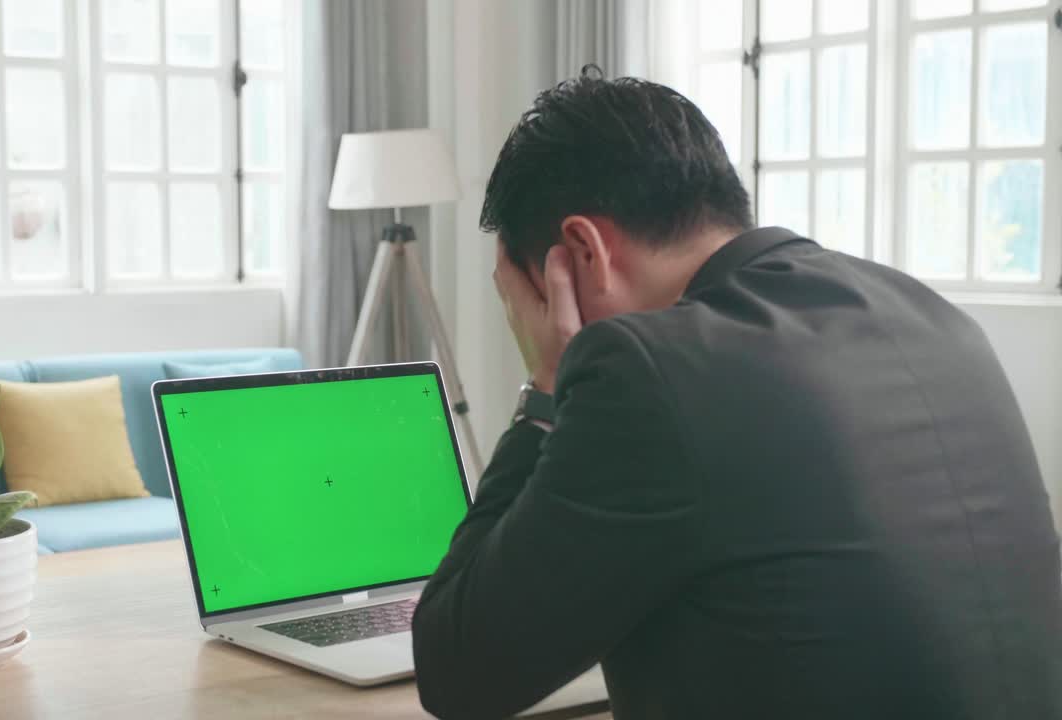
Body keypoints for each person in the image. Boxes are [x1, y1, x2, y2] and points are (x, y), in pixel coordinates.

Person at [410, 67, 1062, 720]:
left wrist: (545, 387)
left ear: (583, 251)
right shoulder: (933, 317)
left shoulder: (647, 371)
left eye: (518, 294)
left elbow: (457, 674)